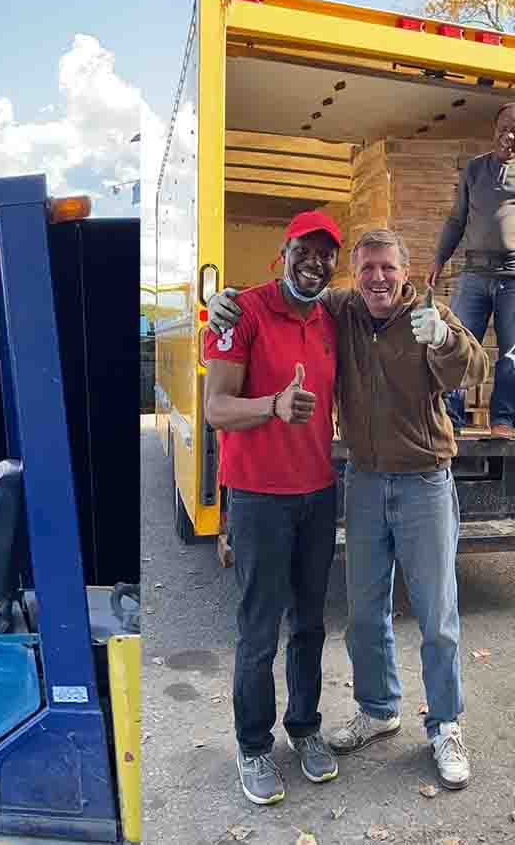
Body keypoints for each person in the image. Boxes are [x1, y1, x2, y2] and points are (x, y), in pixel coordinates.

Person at [210, 229, 490, 790]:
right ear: (353, 276)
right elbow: (286, 295)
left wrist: (444, 340)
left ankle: (445, 726)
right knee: (364, 613)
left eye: (387, 268)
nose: (377, 279)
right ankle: (378, 707)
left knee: (437, 615)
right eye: (366, 269)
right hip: (362, 481)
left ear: (405, 273)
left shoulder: (428, 315)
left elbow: (477, 370)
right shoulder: (344, 310)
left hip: (424, 481)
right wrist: (223, 301)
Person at [200, 211, 345, 806]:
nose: (314, 261)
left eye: (325, 253)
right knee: (259, 629)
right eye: (303, 251)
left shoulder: (332, 316)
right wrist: (273, 406)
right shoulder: (247, 312)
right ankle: (253, 745)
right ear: (281, 254)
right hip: (259, 496)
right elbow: (215, 408)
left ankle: (305, 729)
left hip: (316, 491)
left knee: (309, 623)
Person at [434, 101, 515, 438]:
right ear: (494, 130)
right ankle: (452, 417)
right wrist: (439, 259)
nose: (508, 136)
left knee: (510, 352)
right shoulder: (475, 170)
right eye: (503, 128)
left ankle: (502, 420)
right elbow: (456, 219)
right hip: (474, 274)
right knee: (459, 345)